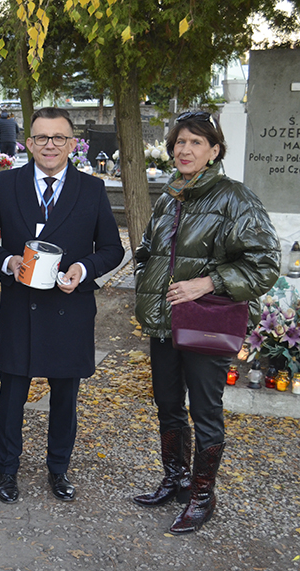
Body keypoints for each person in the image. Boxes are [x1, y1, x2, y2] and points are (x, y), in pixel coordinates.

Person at [133, 111, 280, 533]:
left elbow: (266, 263)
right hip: (165, 323)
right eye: (180, 142)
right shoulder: (170, 195)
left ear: (215, 151)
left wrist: (208, 282)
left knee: (205, 411)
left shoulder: (236, 198)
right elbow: (150, 246)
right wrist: (146, 269)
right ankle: (176, 479)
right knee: (167, 406)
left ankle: (202, 494)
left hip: (207, 321)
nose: (185, 149)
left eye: (196, 142)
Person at [0, 107, 124, 503]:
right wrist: (6, 261)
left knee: (65, 399)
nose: (50, 145)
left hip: (69, 310)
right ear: (28, 142)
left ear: (72, 143)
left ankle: (58, 469)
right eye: (41, 137)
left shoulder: (91, 190)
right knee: (11, 398)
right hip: (19, 308)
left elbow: (112, 249)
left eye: (59, 137)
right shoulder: (6, 185)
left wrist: (84, 267)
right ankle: (7, 470)